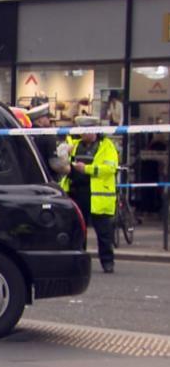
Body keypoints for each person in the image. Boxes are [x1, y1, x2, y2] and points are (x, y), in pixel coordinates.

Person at [60, 116, 118, 273]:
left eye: (85, 131)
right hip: (77, 193)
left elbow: (110, 169)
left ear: (94, 131)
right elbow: (62, 162)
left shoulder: (107, 146)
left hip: (98, 195)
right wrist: (64, 154)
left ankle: (107, 262)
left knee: (104, 233)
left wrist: (86, 169)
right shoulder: (75, 145)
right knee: (79, 231)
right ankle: (79, 263)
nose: (83, 135)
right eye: (81, 131)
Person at [26, 104, 69, 180]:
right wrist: (68, 168)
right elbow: (56, 165)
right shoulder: (48, 136)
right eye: (47, 117)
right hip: (46, 179)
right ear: (40, 120)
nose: (49, 120)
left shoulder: (25, 134)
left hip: (27, 178)